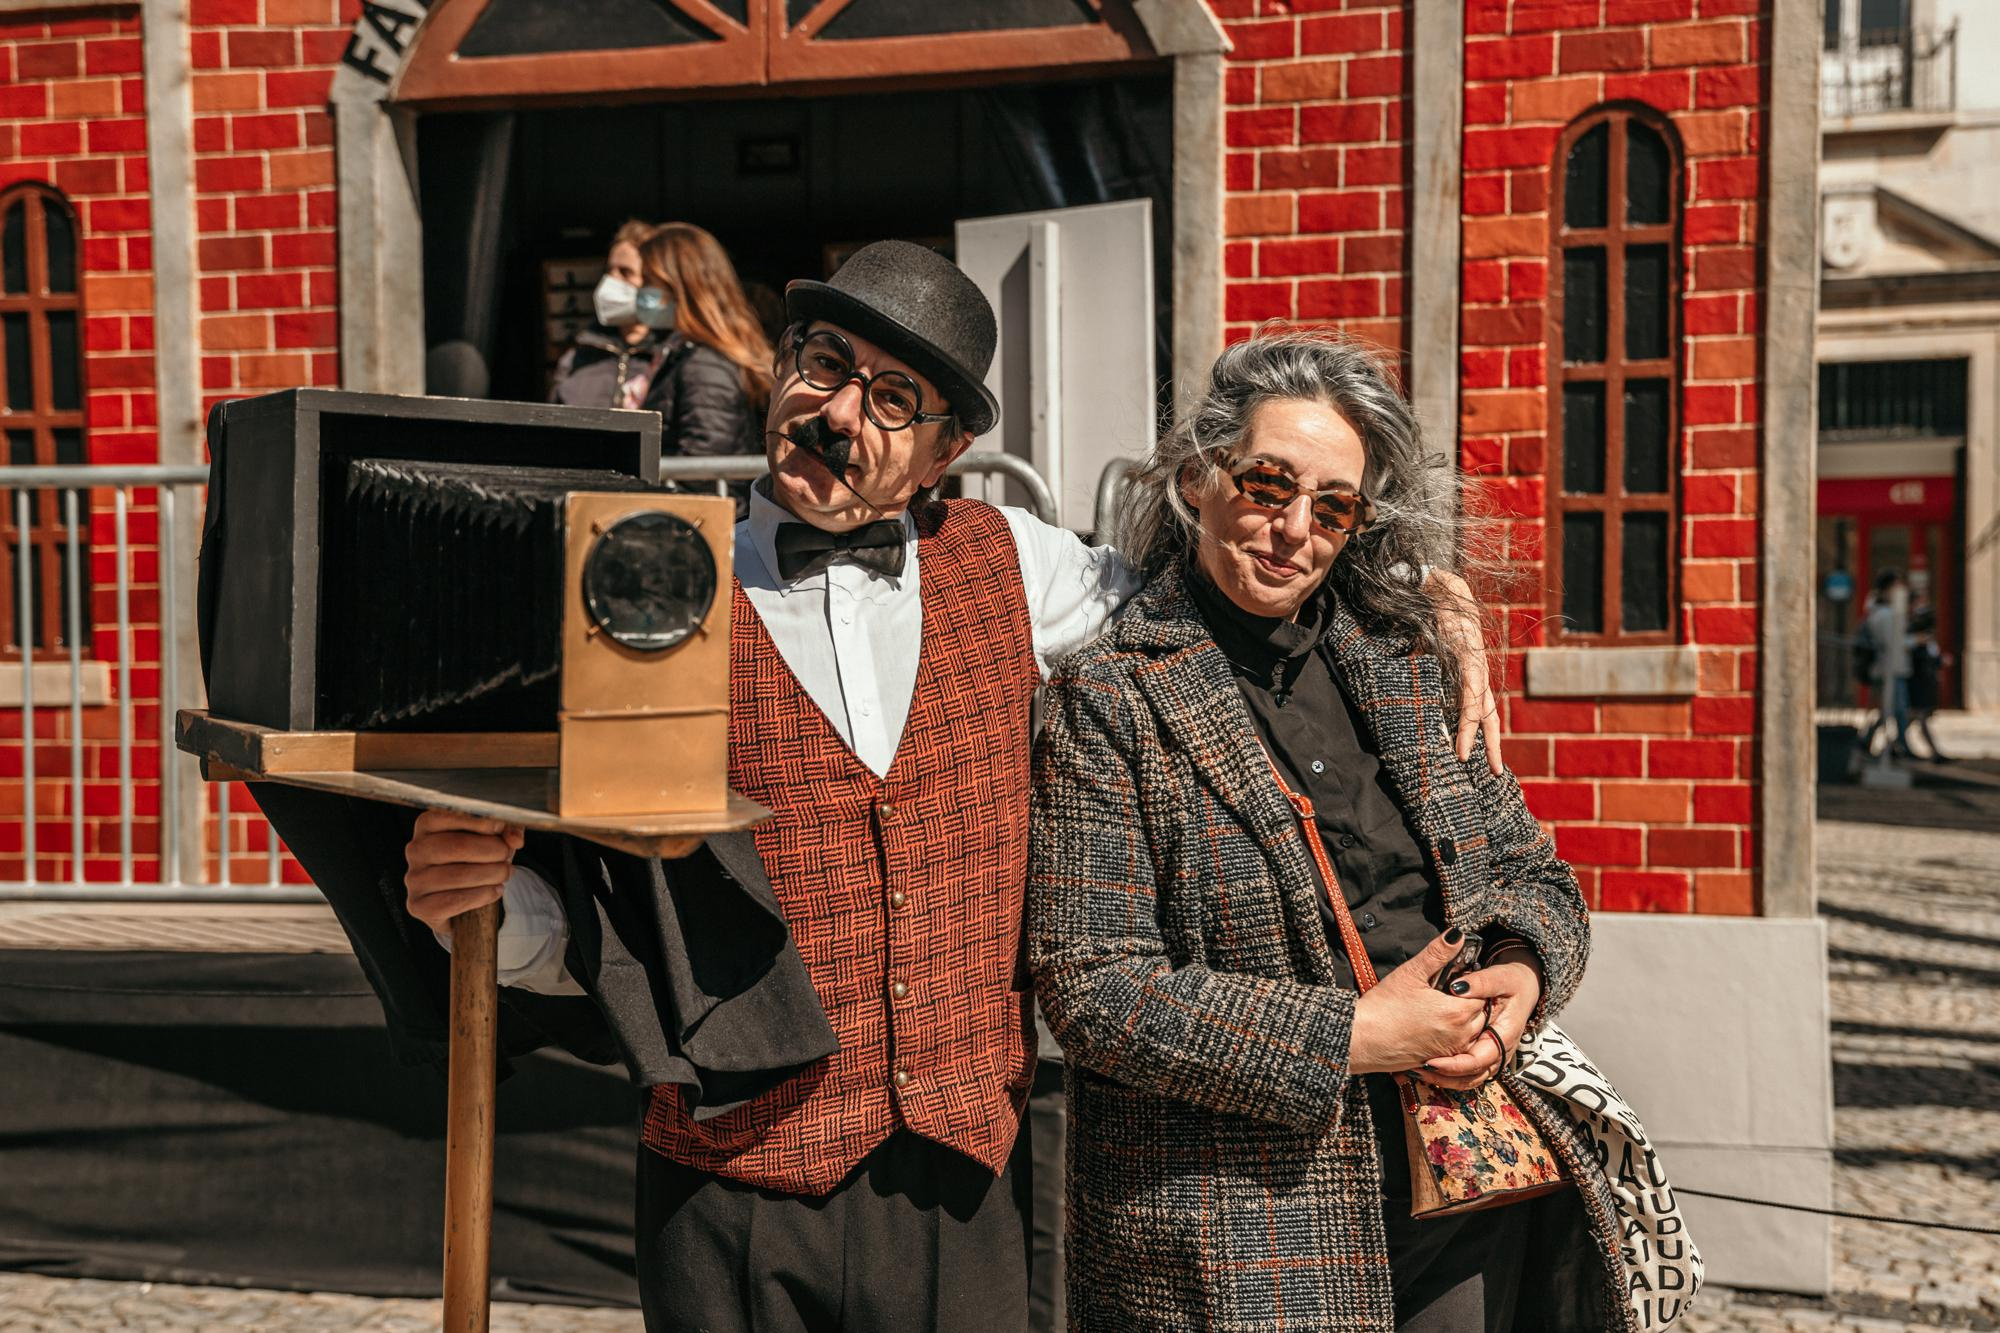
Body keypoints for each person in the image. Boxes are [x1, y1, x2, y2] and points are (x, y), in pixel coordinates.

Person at [402, 249, 1503, 1332]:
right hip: (731, 1181)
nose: (838, 414)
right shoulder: (654, 589)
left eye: (891, 400)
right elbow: (602, 892)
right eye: (823, 365)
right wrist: (490, 914)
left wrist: (1415, 594)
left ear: (946, 451)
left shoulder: (1018, 566)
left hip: (962, 1184)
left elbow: (1233, 578)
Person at [1028, 331, 1635, 1331]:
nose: (1291, 529)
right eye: (1267, 484)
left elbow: (1532, 873)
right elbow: (1094, 989)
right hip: (1242, 1226)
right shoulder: (1111, 693)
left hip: (1457, 1176)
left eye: (1331, 506)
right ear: (1196, 477)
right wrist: (1355, 1034)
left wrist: (1519, 976)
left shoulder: (1401, 661)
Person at [629, 222, 775, 516]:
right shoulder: (684, 355)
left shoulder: (704, 366)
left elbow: (702, 472)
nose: (639, 292)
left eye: (648, 281)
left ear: (679, 286)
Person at [550, 219, 670, 410]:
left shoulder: (670, 356)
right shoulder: (579, 355)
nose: (612, 280)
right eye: (609, 271)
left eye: (626, 272)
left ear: (654, 281)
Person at [1861, 568, 1912, 759]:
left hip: (1889, 668)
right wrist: (1914, 641)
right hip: (1888, 668)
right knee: (1896, 709)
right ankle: (1901, 744)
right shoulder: (1882, 614)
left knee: (1886, 709)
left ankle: (1867, 740)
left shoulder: (1880, 611)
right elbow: (1892, 642)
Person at [1906, 593, 1949, 761]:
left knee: (1916, 717)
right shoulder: (1913, 628)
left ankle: (1896, 744)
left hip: (1924, 679)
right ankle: (1934, 752)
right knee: (1918, 716)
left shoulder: (1924, 633)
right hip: (1919, 680)